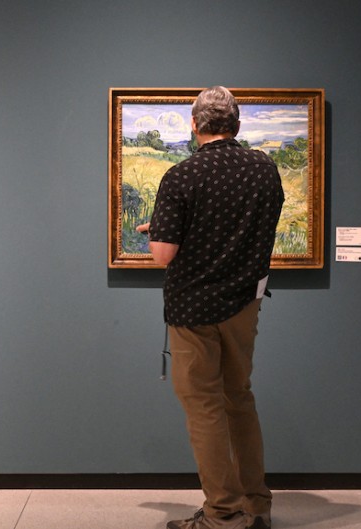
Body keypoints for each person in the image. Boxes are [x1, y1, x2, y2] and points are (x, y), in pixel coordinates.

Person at [137, 86, 284, 529]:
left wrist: (157, 228)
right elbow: (243, 226)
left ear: (195, 125)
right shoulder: (264, 169)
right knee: (239, 399)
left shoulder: (182, 176)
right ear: (237, 125)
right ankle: (256, 506)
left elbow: (163, 254)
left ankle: (223, 514)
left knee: (203, 407)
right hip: (245, 304)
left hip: (193, 309)